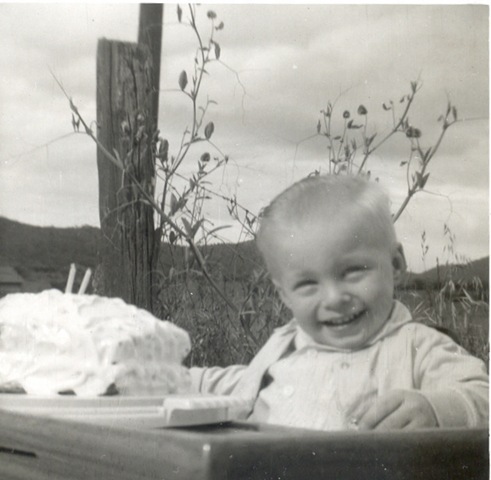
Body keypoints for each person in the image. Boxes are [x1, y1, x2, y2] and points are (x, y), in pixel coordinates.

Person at [190, 174, 488, 431]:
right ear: (284, 294)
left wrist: (435, 410)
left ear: (396, 265)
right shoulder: (282, 348)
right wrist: (173, 377)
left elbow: (482, 396)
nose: (334, 298)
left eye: (353, 271)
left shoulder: (418, 347)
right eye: (308, 284)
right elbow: (238, 384)